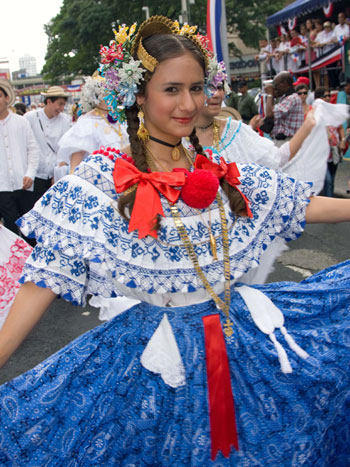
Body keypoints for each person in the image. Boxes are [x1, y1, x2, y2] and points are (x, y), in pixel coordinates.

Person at [0, 17, 350, 466]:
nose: (189, 104)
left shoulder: (216, 167)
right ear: (138, 95)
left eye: (197, 87)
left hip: (237, 337)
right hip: (156, 357)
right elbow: (41, 283)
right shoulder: (99, 183)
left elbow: (299, 204)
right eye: (172, 90)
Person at [56, 73, 129, 177]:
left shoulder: (119, 119)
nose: (115, 96)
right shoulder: (87, 122)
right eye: (109, 92)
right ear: (97, 96)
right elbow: (75, 162)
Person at [0, 79, 39, 243]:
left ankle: (33, 261)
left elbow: (33, 149)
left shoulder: (21, 122)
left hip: (24, 183)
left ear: (6, 98)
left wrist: (30, 173)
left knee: (29, 230)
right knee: (9, 230)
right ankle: (15, 265)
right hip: (2, 187)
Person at [24, 86, 71, 202]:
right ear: (49, 101)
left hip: (54, 175)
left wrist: (58, 172)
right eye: (60, 104)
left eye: (64, 105)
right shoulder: (30, 118)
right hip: (36, 174)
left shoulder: (65, 121)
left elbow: (65, 149)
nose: (61, 108)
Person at [315, 87, 346, 197]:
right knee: (327, 181)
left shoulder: (334, 112)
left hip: (334, 152)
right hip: (321, 154)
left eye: (329, 95)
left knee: (331, 181)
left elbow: (341, 128)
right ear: (318, 98)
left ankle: (329, 201)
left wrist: (342, 140)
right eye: (325, 96)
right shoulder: (314, 113)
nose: (327, 98)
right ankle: (329, 208)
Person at [265, 71, 304, 146]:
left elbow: (269, 114)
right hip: (284, 141)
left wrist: (270, 95)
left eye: (276, 85)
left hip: (287, 141)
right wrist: (273, 96)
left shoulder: (292, 98)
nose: (275, 88)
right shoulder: (285, 98)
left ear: (285, 83)